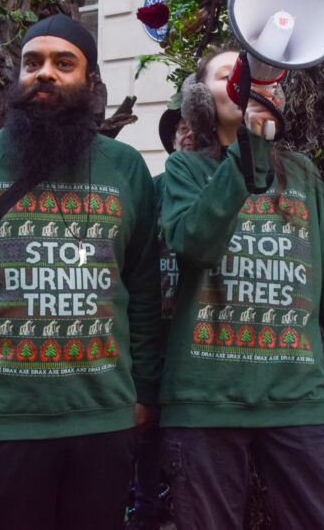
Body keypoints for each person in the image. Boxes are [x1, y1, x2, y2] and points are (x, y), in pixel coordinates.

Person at [0, 14, 161, 530]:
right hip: (2, 419)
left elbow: (142, 288)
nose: (44, 73)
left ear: (91, 83)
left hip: (102, 417)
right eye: (32, 63)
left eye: (63, 63)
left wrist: (143, 392)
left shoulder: (126, 168)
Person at [156, 48, 324, 530]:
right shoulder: (184, 171)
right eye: (229, 75)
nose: (246, 83)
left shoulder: (301, 174)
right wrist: (245, 152)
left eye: (257, 77)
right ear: (199, 96)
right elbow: (194, 245)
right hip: (204, 405)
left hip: (299, 399)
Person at [128, 101, 194, 530]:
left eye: (196, 127)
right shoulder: (150, 192)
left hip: (197, 362)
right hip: (150, 353)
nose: (187, 133)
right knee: (145, 466)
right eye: (180, 127)